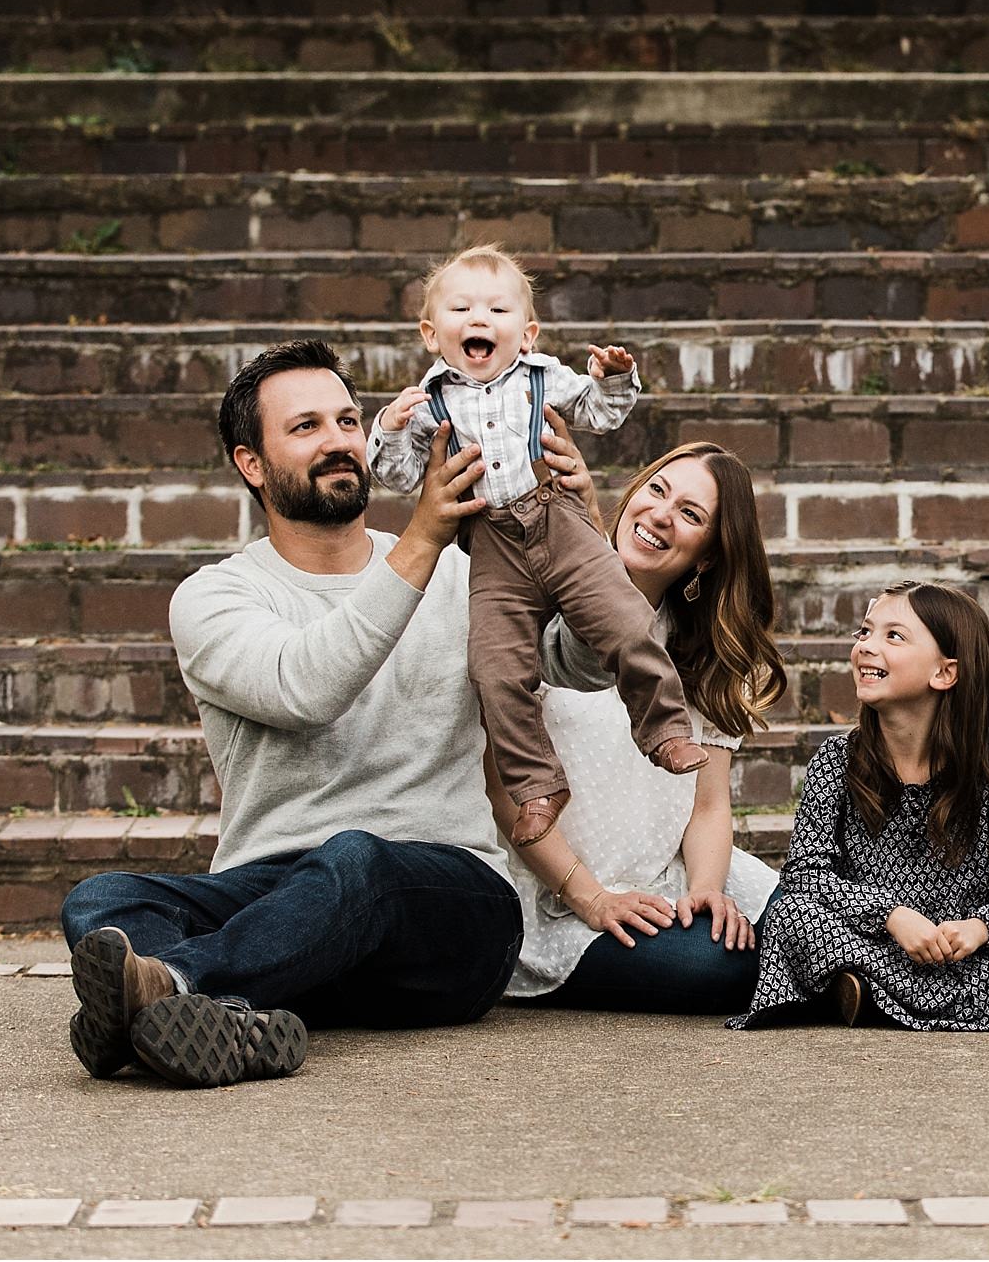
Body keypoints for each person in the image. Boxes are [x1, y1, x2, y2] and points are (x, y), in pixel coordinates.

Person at [58, 338, 600, 1089]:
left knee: (358, 856)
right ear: (251, 463)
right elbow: (306, 689)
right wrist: (421, 538)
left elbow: (584, 662)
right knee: (104, 898)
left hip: (445, 904)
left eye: (348, 420)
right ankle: (233, 1023)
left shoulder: (462, 573)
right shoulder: (215, 598)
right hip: (280, 899)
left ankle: (170, 987)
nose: (341, 440)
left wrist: (584, 533)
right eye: (306, 426)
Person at [367, 243, 706, 850]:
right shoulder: (427, 402)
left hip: (559, 519)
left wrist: (615, 378)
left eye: (497, 310)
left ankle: (665, 730)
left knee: (628, 621)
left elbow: (600, 415)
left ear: (526, 334)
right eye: (462, 308)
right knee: (495, 668)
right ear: (430, 333)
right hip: (491, 541)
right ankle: (537, 786)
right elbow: (394, 477)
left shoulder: (542, 376)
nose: (479, 320)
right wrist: (389, 429)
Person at [730, 581, 989, 1031]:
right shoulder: (837, 762)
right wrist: (891, 916)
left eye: (893, 636)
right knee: (794, 917)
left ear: (945, 673)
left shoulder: (981, 773)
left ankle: (872, 999)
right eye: (864, 632)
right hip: (878, 942)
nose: (867, 647)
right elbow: (807, 874)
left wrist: (982, 928)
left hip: (967, 953)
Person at [504, 443, 790, 1013]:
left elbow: (708, 806)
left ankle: (944, 986)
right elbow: (501, 790)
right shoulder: (532, 607)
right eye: (657, 491)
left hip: (672, 879)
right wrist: (591, 899)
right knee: (720, 966)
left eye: (690, 514)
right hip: (562, 896)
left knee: (819, 920)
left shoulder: (710, 654)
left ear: (707, 557)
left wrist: (707, 891)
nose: (661, 514)